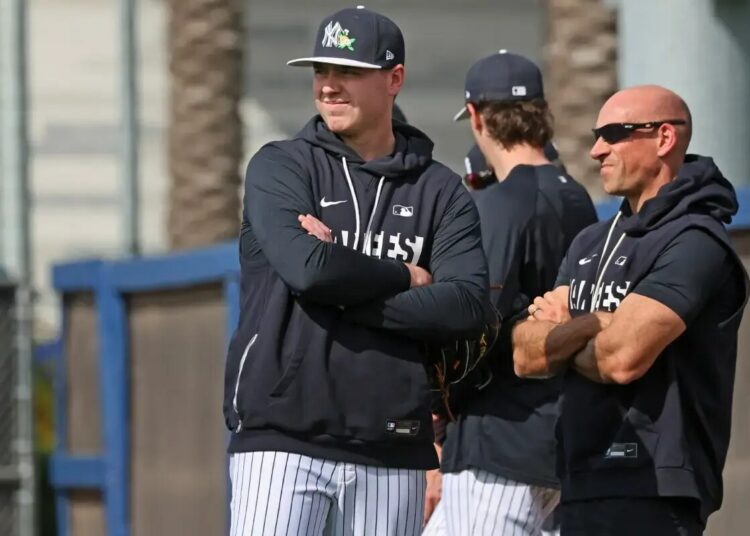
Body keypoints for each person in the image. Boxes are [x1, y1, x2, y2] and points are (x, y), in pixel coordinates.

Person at [222, 6, 493, 535]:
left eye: (348, 71)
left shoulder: (439, 191)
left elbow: (466, 305)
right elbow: (310, 271)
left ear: (394, 79)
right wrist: (404, 274)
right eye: (321, 71)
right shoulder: (281, 165)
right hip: (282, 439)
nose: (328, 86)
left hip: (392, 443)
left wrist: (341, 282)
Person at [512, 85, 749, 536]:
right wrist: (593, 322)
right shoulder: (590, 241)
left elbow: (621, 360)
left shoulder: (696, 239)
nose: (598, 149)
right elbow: (525, 355)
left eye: (616, 133)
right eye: (597, 134)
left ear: (664, 139)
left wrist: (563, 334)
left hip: (653, 486)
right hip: (579, 479)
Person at [422, 51, 597, 536]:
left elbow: (469, 328)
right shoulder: (576, 195)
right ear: (540, 111)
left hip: (499, 446)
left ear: (476, 117)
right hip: (561, 439)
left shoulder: (499, 203)